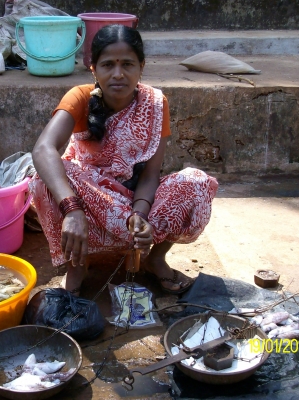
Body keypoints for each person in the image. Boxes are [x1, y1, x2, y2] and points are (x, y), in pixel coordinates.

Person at [29, 25, 218, 296]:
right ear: (93, 68)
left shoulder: (155, 103)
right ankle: (78, 264)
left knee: (195, 182)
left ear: (141, 67)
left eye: (127, 64)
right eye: (108, 65)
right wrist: (72, 209)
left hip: (133, 203)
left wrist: (140, 215)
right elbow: (43, 149)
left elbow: (152, 175)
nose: (118, 74)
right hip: (90, 201)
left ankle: (154, 258)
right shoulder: (80, 97)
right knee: (44, 180)